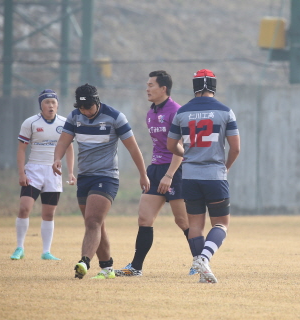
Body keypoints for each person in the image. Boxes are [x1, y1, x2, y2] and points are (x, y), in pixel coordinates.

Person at [52, 83, 150, 279]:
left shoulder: (115, 117)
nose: (85, 111)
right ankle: (107, 267)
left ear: (97, 102)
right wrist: (57, 158)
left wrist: (143, 174)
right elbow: (63, 141)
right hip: (84, 178)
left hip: (106, 177)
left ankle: (84, 262)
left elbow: (133, 148)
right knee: (96, 224)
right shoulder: (74, 117)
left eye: (88, 107)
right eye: (81, 108)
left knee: (93, 221)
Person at [167, 69, 240, 283]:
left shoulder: (182, 112)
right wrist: (226, 167)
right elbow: (236, 148)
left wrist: (186, 154)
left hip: (189, 176)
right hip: (215, 175)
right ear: (214, 86)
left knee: (195, 226)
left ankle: (203, 273)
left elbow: (171, 145)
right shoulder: (225, 111)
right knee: (221, 224)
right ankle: (204, 259)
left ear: (195, 86)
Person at [115, 71, 189, 277]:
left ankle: (201, 262)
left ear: (163, 88)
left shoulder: (176, 111)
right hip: (155, 169)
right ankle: (136, 267)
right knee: (144, 219)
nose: (147, 89)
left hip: (174, 170)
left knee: (183, 221)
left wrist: (169, 175)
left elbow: (180, 148)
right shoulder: (151, 113)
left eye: (151, 85)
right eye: (147, 85)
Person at [10, 89, 75, 261]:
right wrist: (21, 173)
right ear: (41, 105)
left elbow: (69, 148)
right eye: (47, 102)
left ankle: (46, 251)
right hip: (34, 170)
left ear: (57, 105)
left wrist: (70, 172)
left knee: (49, 213)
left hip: (54, 172)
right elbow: (21, 149)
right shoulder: (30, 123)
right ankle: (19, 247)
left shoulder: (65, 123)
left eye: (53, 102)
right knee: (24, 207)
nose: (51, 105)